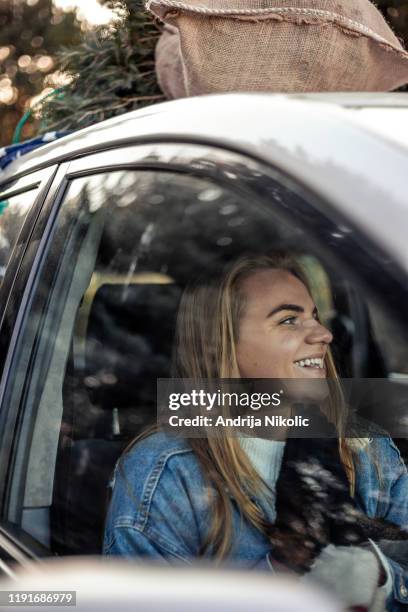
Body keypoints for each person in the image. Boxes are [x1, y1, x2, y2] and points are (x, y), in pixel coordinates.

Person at [104, 253, 408, 611]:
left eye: (315, 316)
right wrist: (284, 573)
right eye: (289, 320)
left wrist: (379, 575)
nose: (324, 334)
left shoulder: (364, 445)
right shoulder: (165, 471)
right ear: (223, 343)